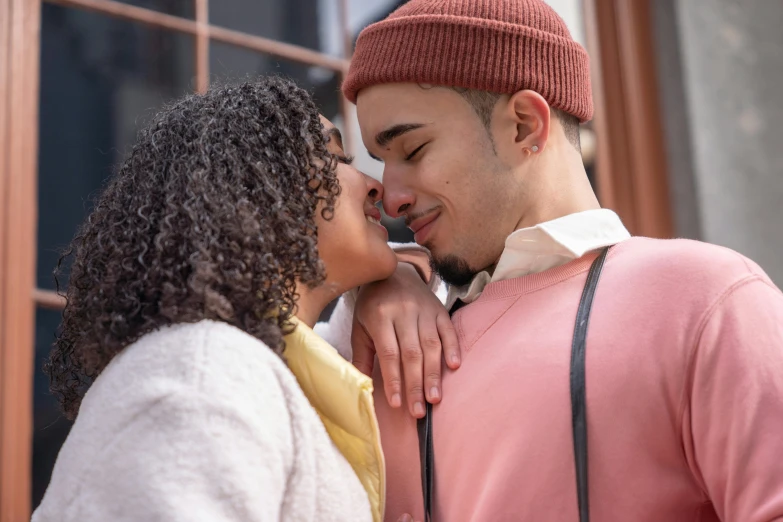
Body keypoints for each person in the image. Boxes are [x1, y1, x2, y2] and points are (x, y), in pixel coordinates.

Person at [322, 0, 783, 521]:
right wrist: (377, 283)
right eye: (381, 162)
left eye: (413, 149)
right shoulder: (383, 340)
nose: (392, 196)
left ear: (523, 125)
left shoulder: (708, 301)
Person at [33, 76, 429, 522]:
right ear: (259, 192)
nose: (374, 185)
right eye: (337, 158)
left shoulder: (267, 372)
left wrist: (398, 275)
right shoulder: (201, 372)